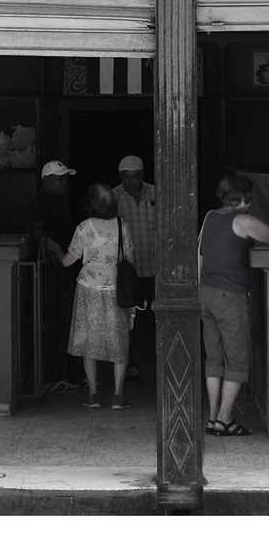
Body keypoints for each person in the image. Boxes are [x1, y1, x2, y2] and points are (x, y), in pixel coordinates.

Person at [199, 174, 269, 436]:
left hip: (206, 294)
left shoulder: (210, 217)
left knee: (215, 359)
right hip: (230, 296)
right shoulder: (243, 219)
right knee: (238, 359)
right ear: (245, 199)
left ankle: (213, 417)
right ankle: (225, 420)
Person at [44, 183, 133, 410]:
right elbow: (130, 261)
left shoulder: (84, 227)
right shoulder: (122, 226)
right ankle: (118, 397)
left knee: (88, 340)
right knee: (119, 340)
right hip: (116, 289)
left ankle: (93, 395)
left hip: (88, 288)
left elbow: (67, 261)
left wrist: (54, 247)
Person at [30, 161, 78, 388]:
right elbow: (37, 231)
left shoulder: (55, 200)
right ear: (46, 180)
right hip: (57, 270)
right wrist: (54, 251)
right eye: (60, 178)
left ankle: (65, 372)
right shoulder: (42, 200)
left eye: (65, 178)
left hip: (62, 267)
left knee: (65, 319)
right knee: (62, 319)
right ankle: (60, 375)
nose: (64, 182)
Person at [113, 155, 157, 382]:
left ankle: (162, 361)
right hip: (128, 270)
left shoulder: (156, 193)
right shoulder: (113, 198)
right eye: (126, 178)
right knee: (129, 320)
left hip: (156, 266)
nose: (131, 182)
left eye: (136, 178)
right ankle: (133, 363)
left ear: (142, 176)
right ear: (121, 176)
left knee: (159, 316)